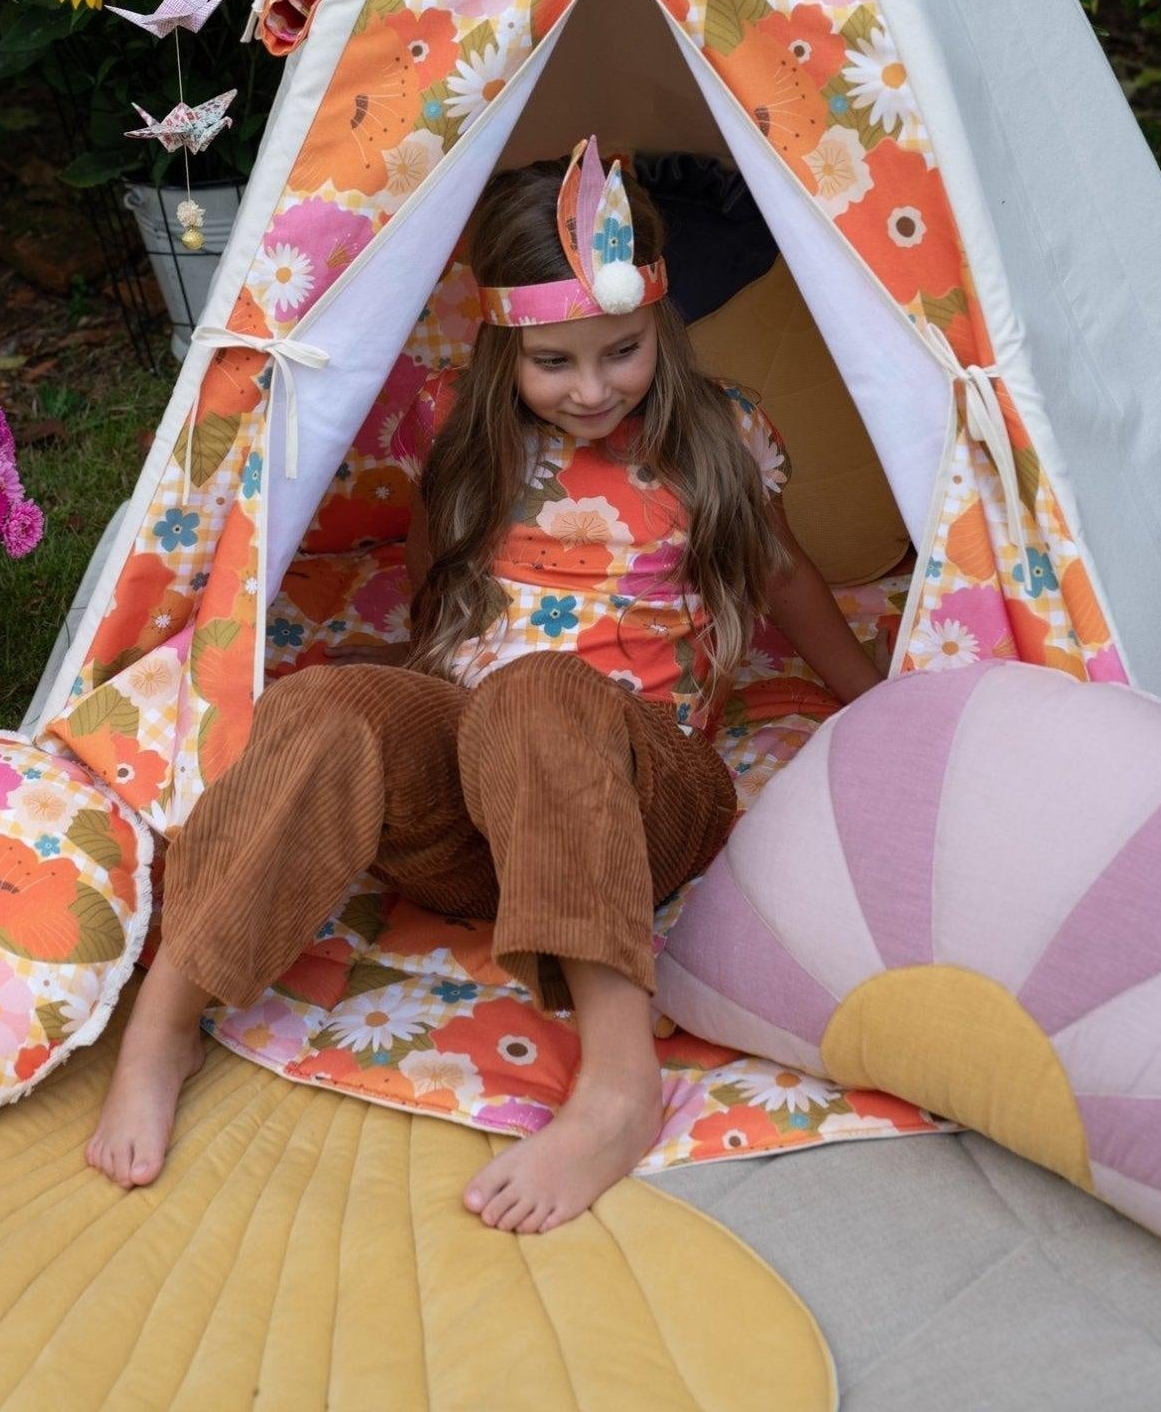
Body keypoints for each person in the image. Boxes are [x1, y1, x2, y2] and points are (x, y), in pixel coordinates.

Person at [87, 138, 884, 1230]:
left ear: (662, 323)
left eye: (623, 351)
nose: (593, 387)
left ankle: (614, 1081)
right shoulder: (464, 436)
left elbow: (781, 574)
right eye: (556, 361)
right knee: (329, 698)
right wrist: (406, 722)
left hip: (635, 803)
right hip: (476, 822)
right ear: (499, 344)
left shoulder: (722, 433)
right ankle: (168, 1019)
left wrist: (870, 691)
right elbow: (434, 580)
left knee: (538, 694)